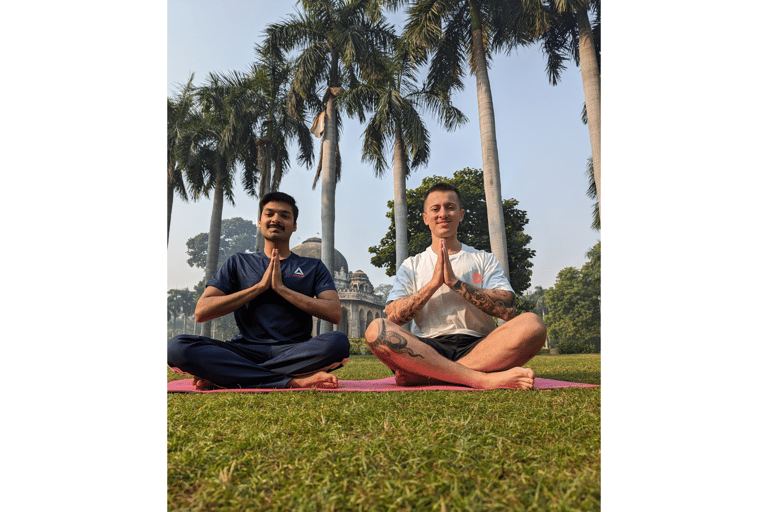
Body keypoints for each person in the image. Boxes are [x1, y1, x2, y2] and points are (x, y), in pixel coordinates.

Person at [364, 183, 546, 389]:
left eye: (450, 207)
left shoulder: (482, 259)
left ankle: (432, 375)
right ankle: (481, 379)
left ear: (461, 215)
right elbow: (393, 316)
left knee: (533, 324)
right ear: (425, 218)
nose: (443, 214)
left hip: (480, 347)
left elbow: (507, 307)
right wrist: (433, 284)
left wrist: (455, 283)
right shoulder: (412, 265)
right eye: (435, 209)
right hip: (426, 348)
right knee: (375, 330)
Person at [168, 192, 350, 390]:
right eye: (269, 214)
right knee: (178, 348)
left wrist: (282, 289)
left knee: (338, 343)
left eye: (285, 215)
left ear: (294, 226)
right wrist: (258, 288)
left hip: (295, 350)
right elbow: (202, 311)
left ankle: (230, 375)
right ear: (260, 222)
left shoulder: (312, 266)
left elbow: (334, 313)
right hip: (245, 348)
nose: (276, 219)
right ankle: (291, 381)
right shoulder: (238, 262)